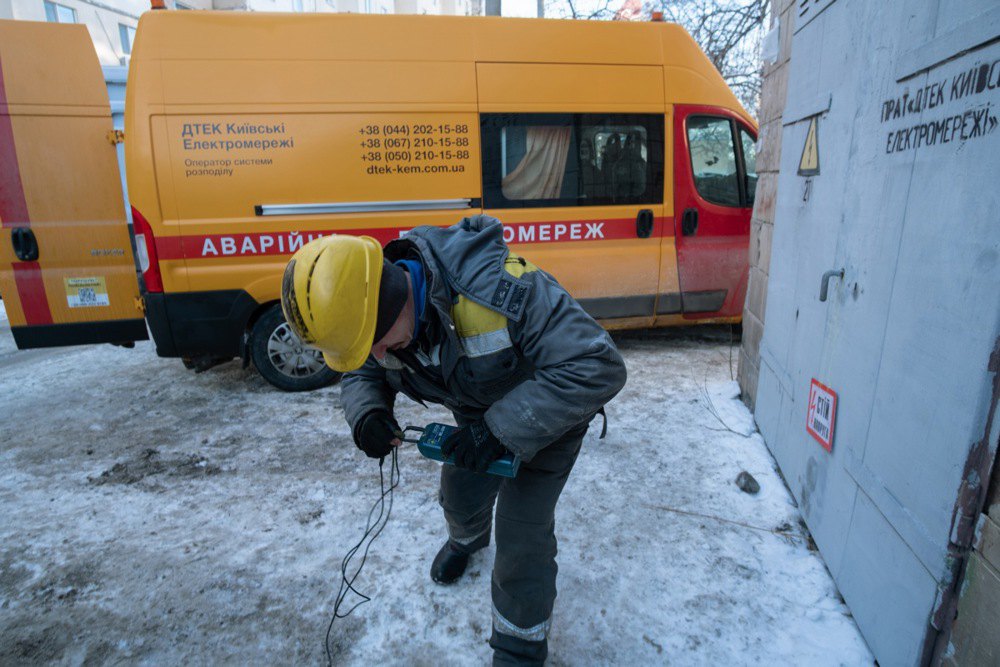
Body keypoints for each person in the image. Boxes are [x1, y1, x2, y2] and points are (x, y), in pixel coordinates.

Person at [280, 215, 627, 665]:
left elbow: (597, 365)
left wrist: (500, 431)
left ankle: (519, 648)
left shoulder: (502, 291)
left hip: (548, 418)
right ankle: (467, 541)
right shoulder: (382, 330)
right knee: (459, 497)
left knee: (522, 535)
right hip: (477, 419)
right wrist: (368, 412)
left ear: (393, 299)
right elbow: (363, 370)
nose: (376, 355)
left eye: (375, 342)